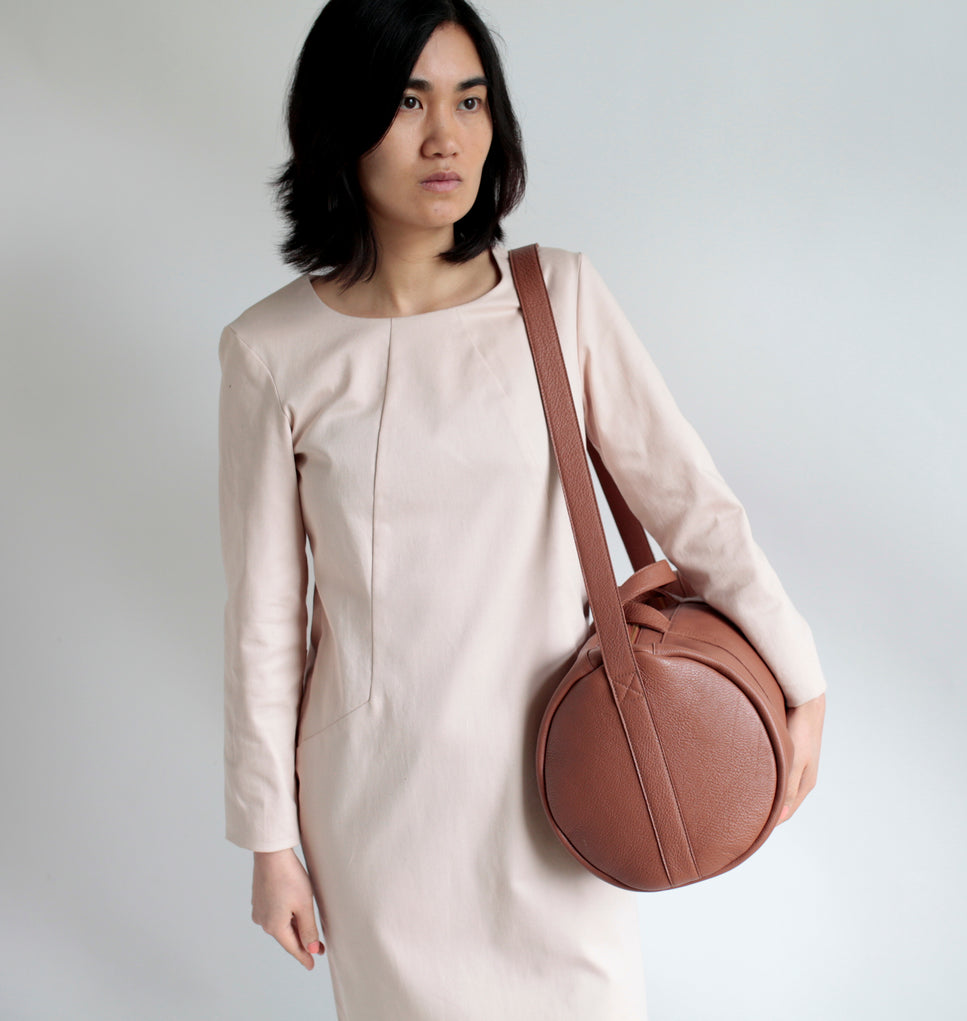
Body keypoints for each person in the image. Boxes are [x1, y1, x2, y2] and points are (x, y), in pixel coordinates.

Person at [217, 0, 827, 1017]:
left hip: (567, 778)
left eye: (470, 101)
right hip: (382, 809)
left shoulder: (560, 299)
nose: (445, 137)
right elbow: (264, 620)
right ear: (339, 122)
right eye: (408, 102)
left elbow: (692, 507)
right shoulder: (269, 352)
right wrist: (269, 839)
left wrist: (800, 678)